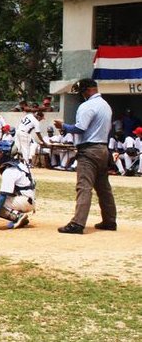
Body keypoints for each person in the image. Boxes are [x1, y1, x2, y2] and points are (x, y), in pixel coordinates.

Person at [55, 78, 117, 234]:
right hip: (103, 148)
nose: (81, 95)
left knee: (84, 187)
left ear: (88, 90)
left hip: (89, 150)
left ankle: (77, 223)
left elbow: (80, 128)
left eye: (82, 92)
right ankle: (110, 221)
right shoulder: (106, 105)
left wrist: (63, 126)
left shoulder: (87, 106)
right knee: (103, 188)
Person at [0, 146, 36, 230]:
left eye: (0, 152)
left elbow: (3, 195)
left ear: (6, 154)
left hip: (23, 201)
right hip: (29, 200)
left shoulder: (9, 171)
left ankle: (18, 217)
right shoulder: (21, 165)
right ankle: (19, 216)